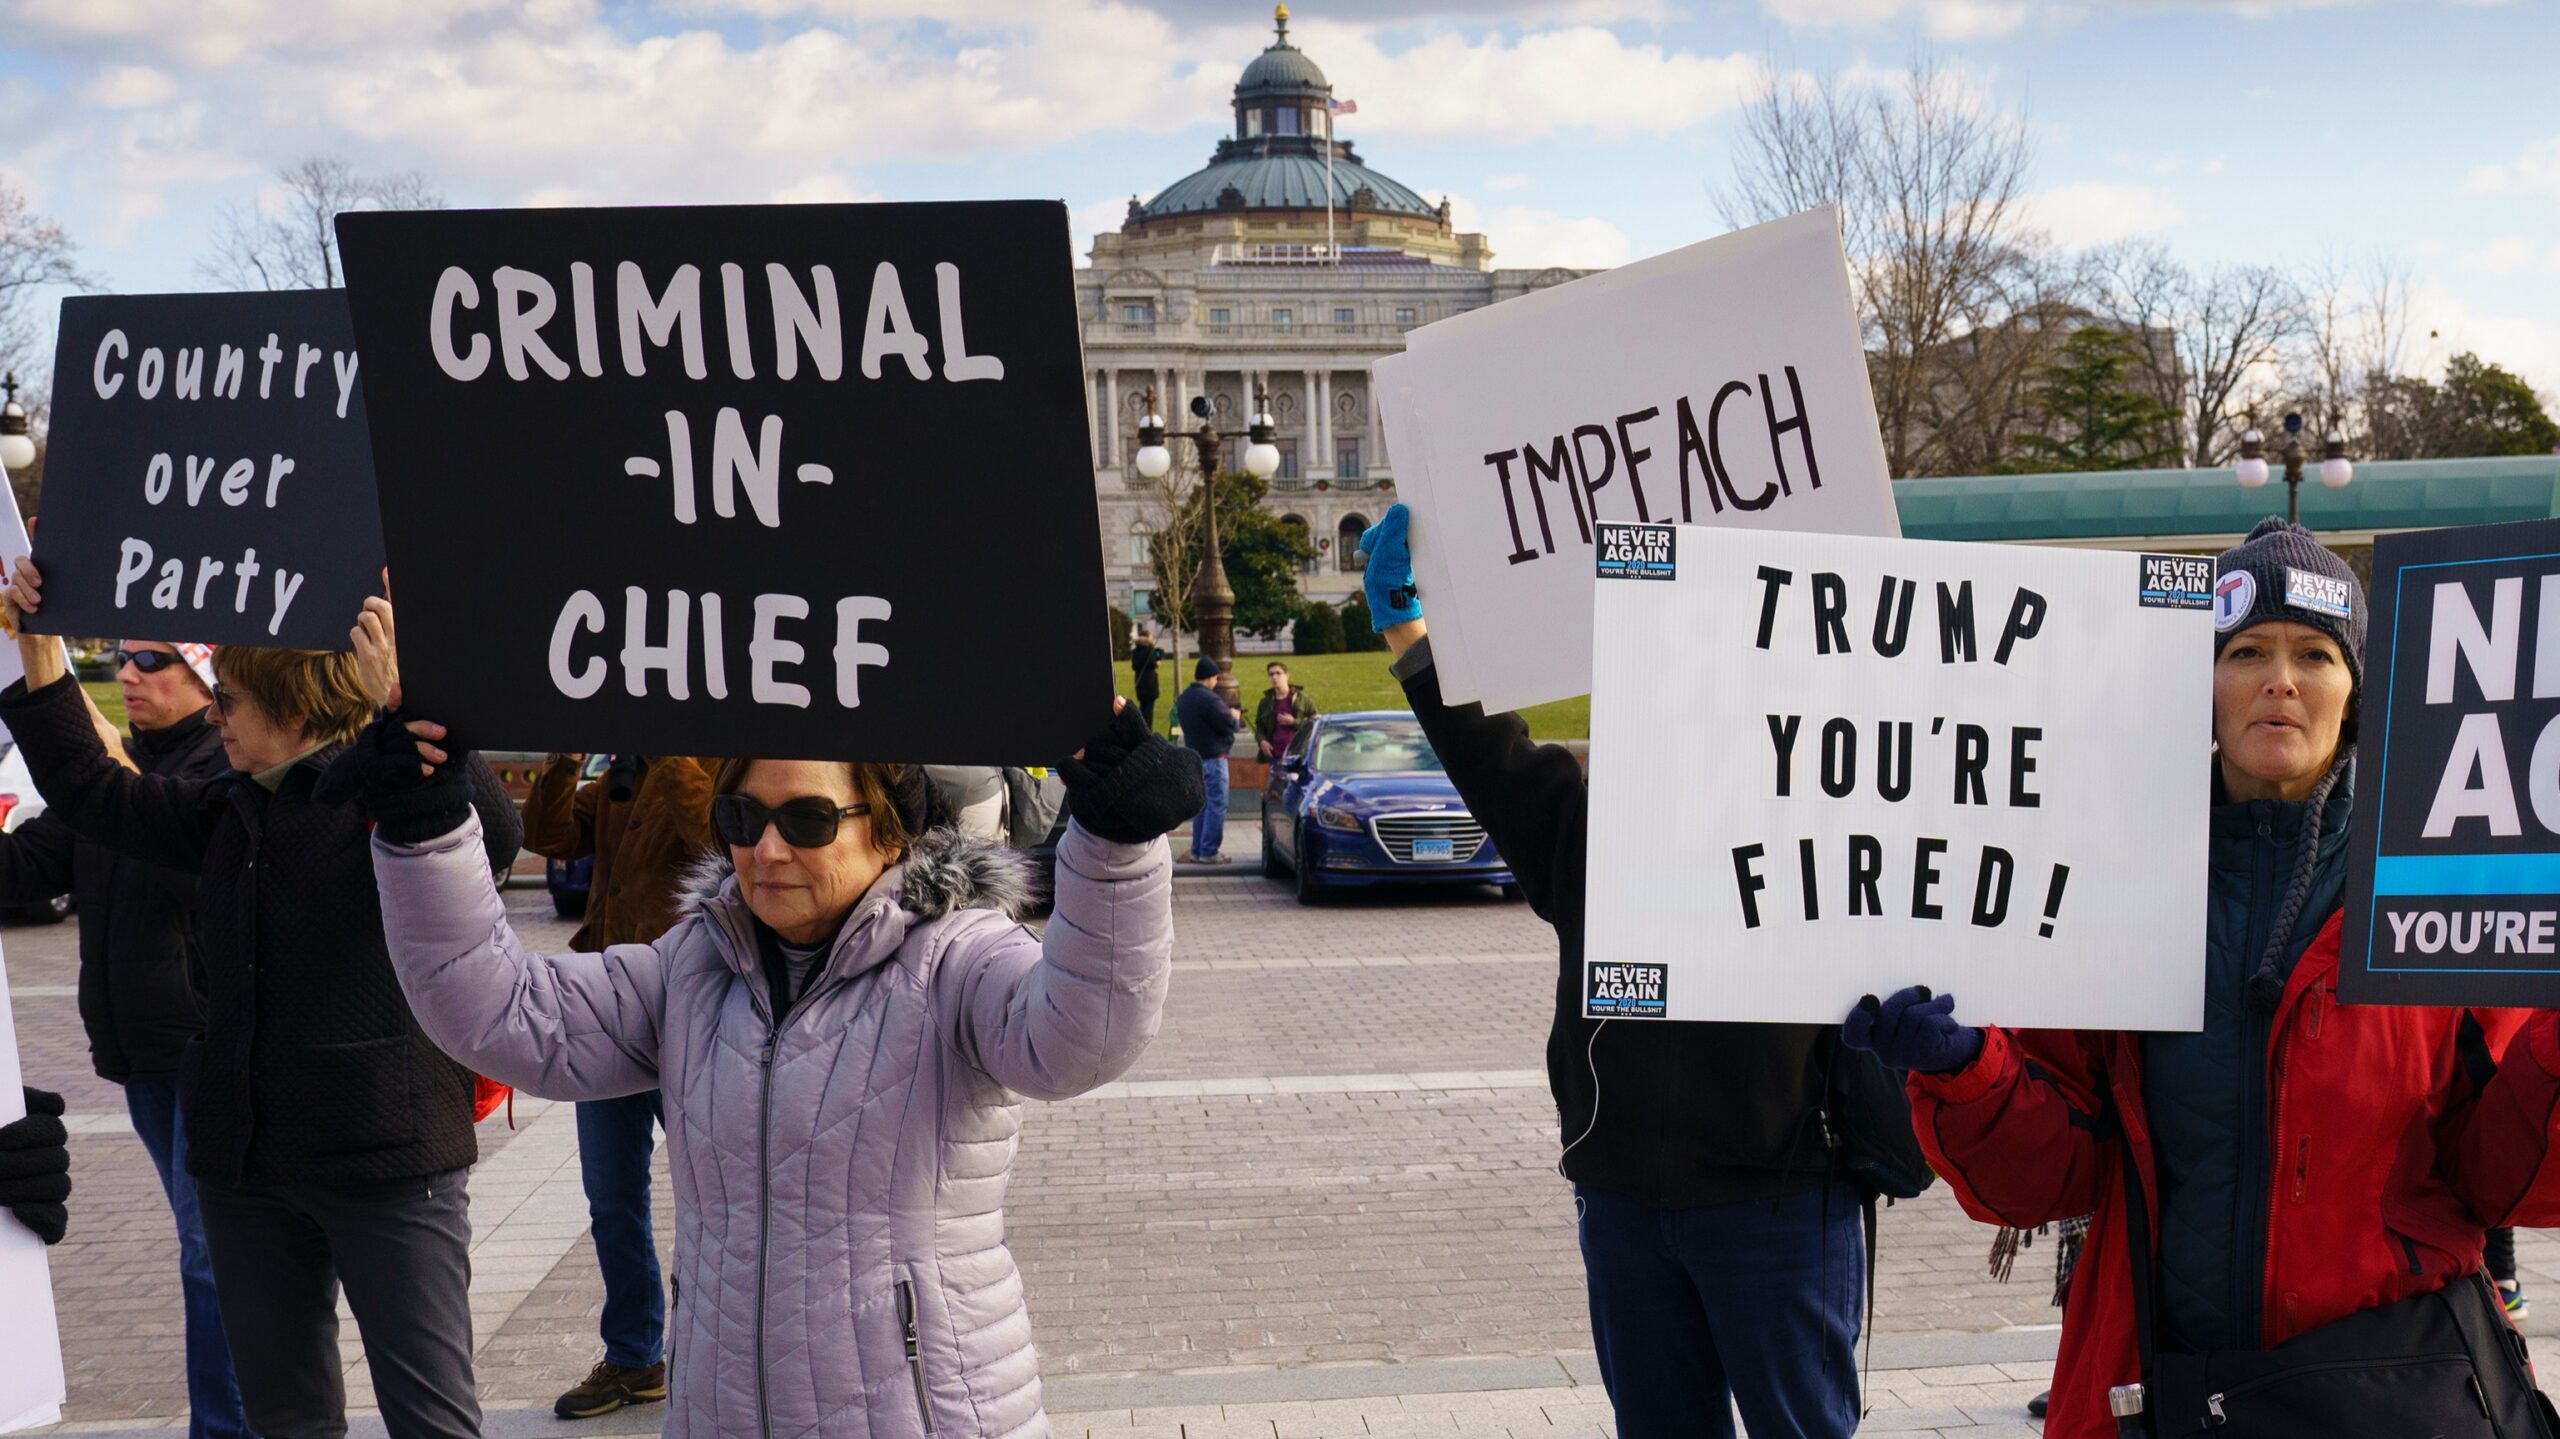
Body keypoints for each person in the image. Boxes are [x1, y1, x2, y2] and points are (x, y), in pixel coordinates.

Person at [341, 591, 1202, 1439]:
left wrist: (1115, 845)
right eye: (742, 816)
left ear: (888, 831)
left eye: (809, 818)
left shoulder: (955, 958)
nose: (767, 848)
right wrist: (425, 824)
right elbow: (497, 1011)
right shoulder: (691, 967)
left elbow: (1081, 1036)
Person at [1845, 518, 2560, 1439]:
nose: (2280, 679)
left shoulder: (2439, 880)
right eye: (2246, 651)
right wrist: (1966, 1071)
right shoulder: (2105, 877)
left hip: (2392, 1393)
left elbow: (2506, 1181)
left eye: (2315, 654)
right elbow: (2049, 1175)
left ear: (2356, 691)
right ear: (2200, 685)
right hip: (2169, 1396)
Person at [1355, 505, 1861, 1439]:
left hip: (1781, 1196)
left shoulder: (1834, 827)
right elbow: (1493, 760)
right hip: (1627, 1199)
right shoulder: (1598, 827)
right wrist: (1411, 636)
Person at [0, 557, 521, 1439]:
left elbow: (495, 834)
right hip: (246, 1167)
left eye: (231, 700)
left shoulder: (387, 792)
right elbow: (94, 790)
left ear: (296, 712)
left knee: (432, 1418)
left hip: (389, 1161)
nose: (215, 714)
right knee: (286, 1418)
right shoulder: (226, 807)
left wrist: (404, 696)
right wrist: (39, 652)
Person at [0, 639, 242, 1439]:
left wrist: (121, 775)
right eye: (122, 658)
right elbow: (27, 865)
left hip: (207, 1050)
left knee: (211, 1254)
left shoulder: (224, 764)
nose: (128, 673)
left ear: (204, 680)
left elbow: (204, 879)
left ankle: (227, 1427)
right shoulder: (106, 773)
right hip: (141, 1055)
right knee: (210, 1249)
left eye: (151, 659)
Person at [521, 751, 717, 1418]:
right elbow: (545, 836)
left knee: (718, 1196)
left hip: (689, 1013)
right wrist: (563, 761)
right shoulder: (617, 782)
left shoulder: (716, 764)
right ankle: (635, 1357)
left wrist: (669, 754)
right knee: (611, 1198)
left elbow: (715, 838)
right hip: (607, 1017)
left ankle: (723, 1354)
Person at [1174, 657, 1241, 865]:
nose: (1216, 682)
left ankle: (1197, 850)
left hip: (1195, 758)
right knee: (1216, 804)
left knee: (1201, 806)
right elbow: (1228, 725)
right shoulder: (1210, 699)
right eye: (1215, 678)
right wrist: (1235, 717)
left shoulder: (1184, 698)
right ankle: (1209, 851)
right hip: (1215, 758)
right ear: (1211, 677)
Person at [1253, 662, 1314, 763]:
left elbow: (1315, 723)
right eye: (1271, 674)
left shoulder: (1302, 699)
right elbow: (1259, 726)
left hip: (1298, 756)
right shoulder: (1265, 702)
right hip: (1273, 756)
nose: (1274, 677)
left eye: (1278, 673)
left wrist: (1294, 722)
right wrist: (1262, 741)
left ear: (1287, 675)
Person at [1130, 628, 1163, 732]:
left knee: (1142, 707)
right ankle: (1147, 730)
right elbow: (1153, 663)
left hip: (1140, 682)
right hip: (1150, 683)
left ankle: (1141, 728)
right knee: (1149, 709)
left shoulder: (1136, 651)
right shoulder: (1149, 650)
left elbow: (1134, 665)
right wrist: (1157, 663)